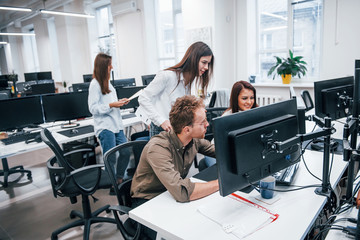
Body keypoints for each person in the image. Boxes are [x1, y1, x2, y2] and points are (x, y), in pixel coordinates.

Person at [130, 95, 219, 238]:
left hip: (169, 196)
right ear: (186, 130)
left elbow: (219, 152)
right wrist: (220, 183)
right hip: (148, 203)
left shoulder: (193, 140)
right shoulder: (158, 148)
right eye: (203, 122)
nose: (207, 124)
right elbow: (182, 192)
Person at [138, 41, 214, 137]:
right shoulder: (167, 76)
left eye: (208, 64)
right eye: (204, 62)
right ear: (193, 59)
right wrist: (161, 121)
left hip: (178, 130)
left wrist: (197, 110)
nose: (206, 67)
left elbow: (181, 108)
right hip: (162, 129)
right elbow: (143, 98)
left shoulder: (190, 80)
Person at [88, 53, 130, 192]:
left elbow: (111, 102)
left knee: (125, 151)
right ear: (102, 66)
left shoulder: (108, 82)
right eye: (109, 64)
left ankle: (119, 178)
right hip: (105, 127)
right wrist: (111, 105)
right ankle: (114, 184)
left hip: (116, 125)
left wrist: (120, 102)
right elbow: (92, 108)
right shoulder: (95, 84)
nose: (111, 67)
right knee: (111, 158)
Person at [203, 80, 258, 168]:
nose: (249, 102)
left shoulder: (257, 113)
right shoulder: (227, 117)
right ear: (236, 99)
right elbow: (223, 147)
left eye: (252, 98)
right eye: (244, 98)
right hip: (219, 153)